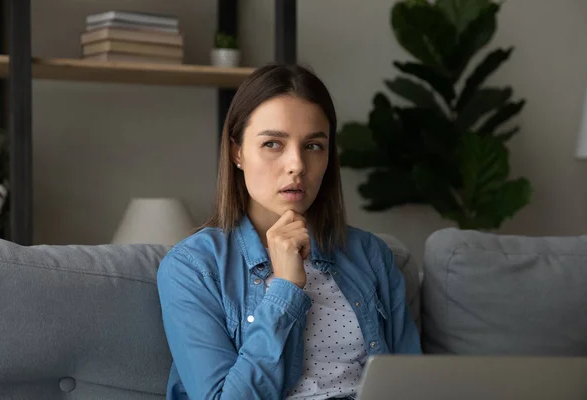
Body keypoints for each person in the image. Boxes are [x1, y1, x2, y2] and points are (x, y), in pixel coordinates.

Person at [156, 63, 422, 400]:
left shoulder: (370, 254)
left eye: (313, 146)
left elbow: (413, 383)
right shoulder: (192, 267)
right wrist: (284, 289)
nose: (297, 164)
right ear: (237, 152)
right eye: (273, 144)